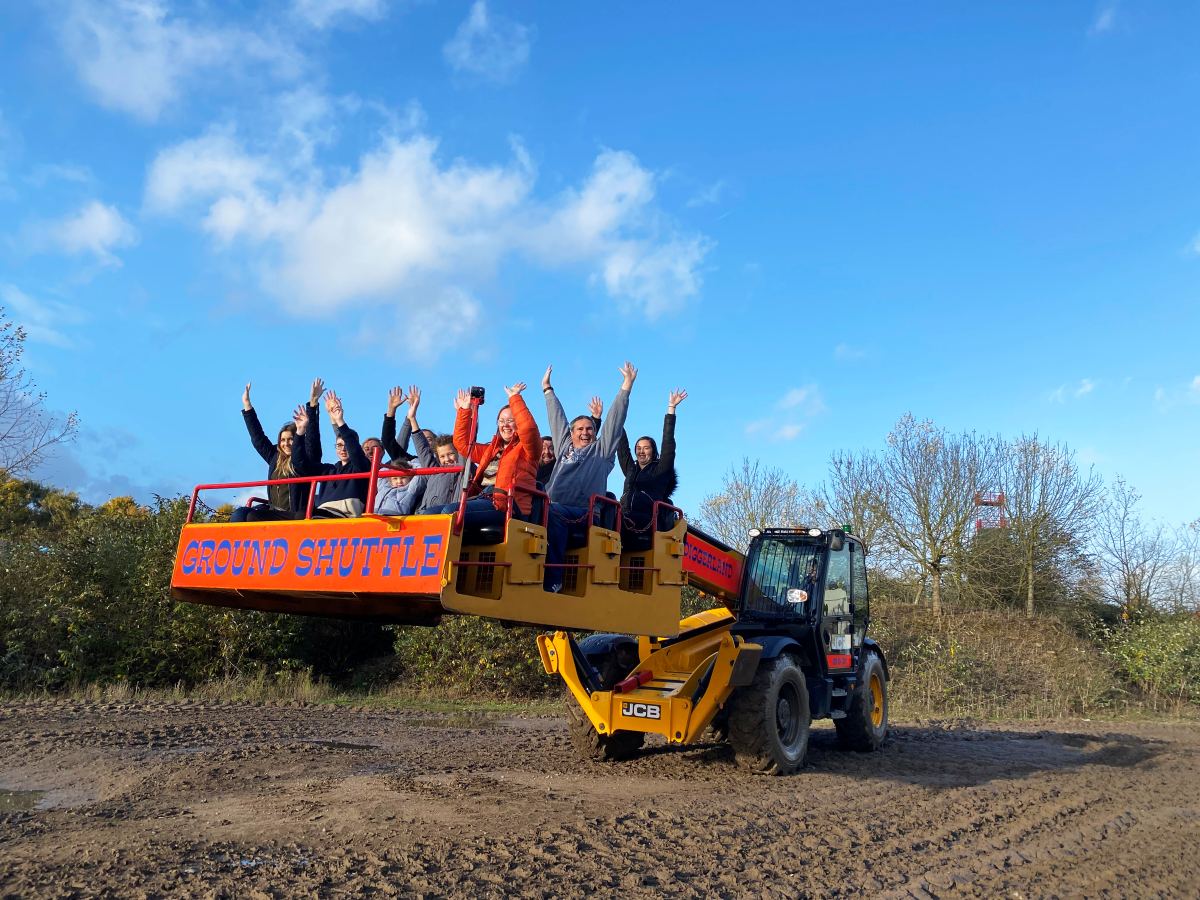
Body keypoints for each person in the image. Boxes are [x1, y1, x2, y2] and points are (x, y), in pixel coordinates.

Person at [542, 362, 637, 590]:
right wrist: (547, 390)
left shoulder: (601, 452)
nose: (585, 432)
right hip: (553, 507)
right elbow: (557, 418)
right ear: (571, 433)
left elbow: (614, 421)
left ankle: (554, 580)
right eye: (580, 429)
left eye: (590, 429)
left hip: (583, 514)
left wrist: (626, 387)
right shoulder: (564, 446)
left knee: (552, 512)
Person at [231, 378, 322, 522]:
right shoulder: (275, 457)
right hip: (276, 512)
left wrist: (313, 404)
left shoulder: (306, 460)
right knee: (242, 514)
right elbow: (258, 438)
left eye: (291, 439)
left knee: (254, 517)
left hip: (296, 514)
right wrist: (247, 405)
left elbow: (313, 440)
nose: (286, 444)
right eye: (283, 440)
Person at [453, 381, 541, 520]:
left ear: (518, 423)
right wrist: (464, 410)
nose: (505, 425)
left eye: (510, 420)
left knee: (449, 513)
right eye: (501, 421)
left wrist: (514, 398)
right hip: (482, 499)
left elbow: (528, 428)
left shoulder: (529, 450)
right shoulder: (491, 450)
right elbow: (462, 444)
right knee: (432, 513)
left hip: (507, 506)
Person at [615, 389, 686, 534]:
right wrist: (617, 417)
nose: (641, 451)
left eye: (646, 448)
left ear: (653, 451)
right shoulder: (631, 469)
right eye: (638, 448)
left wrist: (671, 409)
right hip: (626, 515)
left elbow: (668, 442)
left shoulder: (661, 470)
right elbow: (622, 447)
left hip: (648, 520)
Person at [299, 390, 371, 517]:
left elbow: (354, 449)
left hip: (344, 515)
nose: (343, 449)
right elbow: (301, 464)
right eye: (339, 446)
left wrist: (339, 420)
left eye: (346, 446)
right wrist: (300, 433)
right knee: (261, 515)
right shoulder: (328, 470)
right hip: (322, 513)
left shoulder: (361, 467)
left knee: (302, 514)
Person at [403, 387, 465, 514]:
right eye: (442, 456)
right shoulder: (434, 471)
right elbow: (422, 449)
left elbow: (465, 439)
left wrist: (462, 414)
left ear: (457, 452)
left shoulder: (461, 469)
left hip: (447, 514)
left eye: (450, 454)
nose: (447, 459)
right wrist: (412, 418)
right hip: (425, 513)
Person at [536, 398, 601, 486]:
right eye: (543, 448)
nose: (547, 452)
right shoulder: (529, 469)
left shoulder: (562, 465)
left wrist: (596, 419)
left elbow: (583, 440)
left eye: (551, 448)